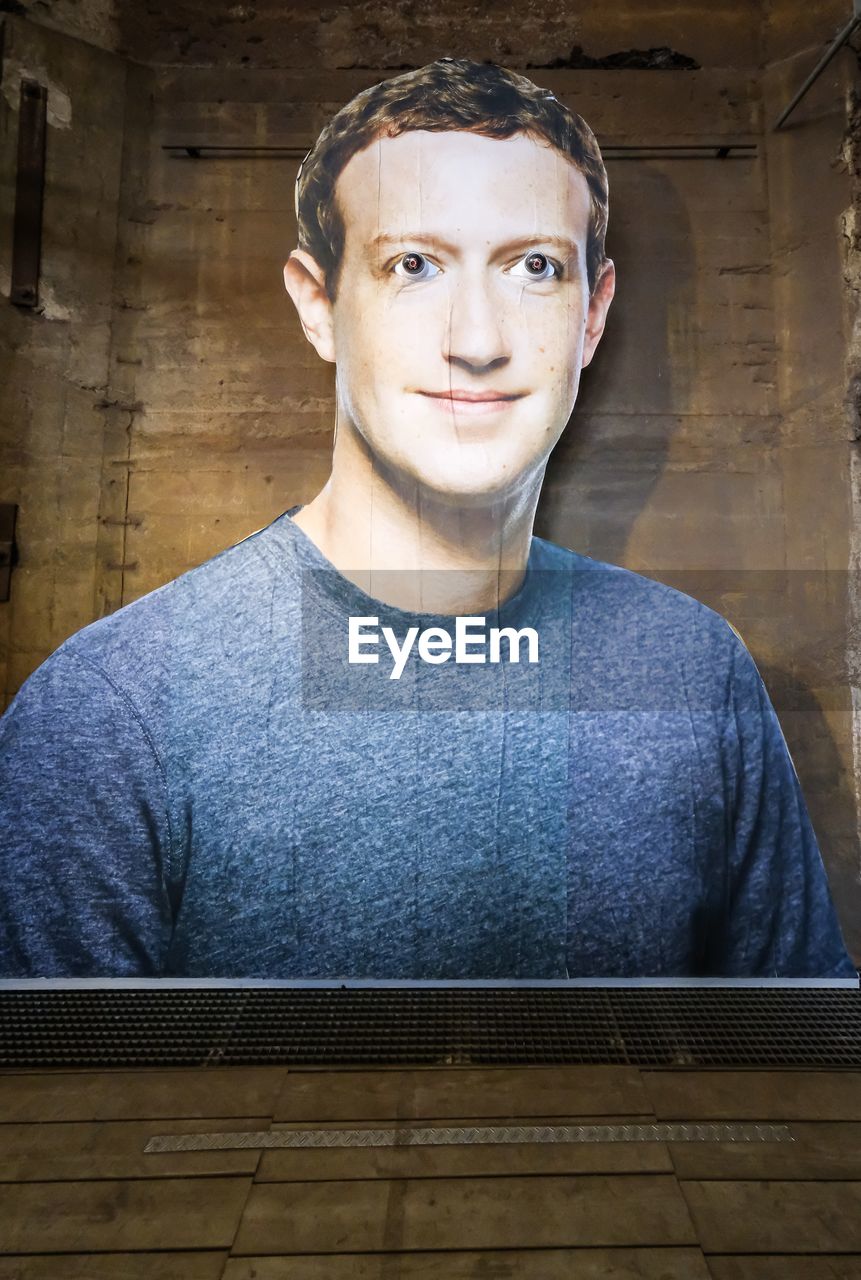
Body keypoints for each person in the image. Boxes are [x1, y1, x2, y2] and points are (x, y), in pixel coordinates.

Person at [0, 59, 855, 980]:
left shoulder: (696, 672)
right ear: (318, 305)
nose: (478, 341)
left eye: (534, 268)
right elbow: (57, 1121)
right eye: (413, 265)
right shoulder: (109, 711)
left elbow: (797, 1094)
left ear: (593, 315)